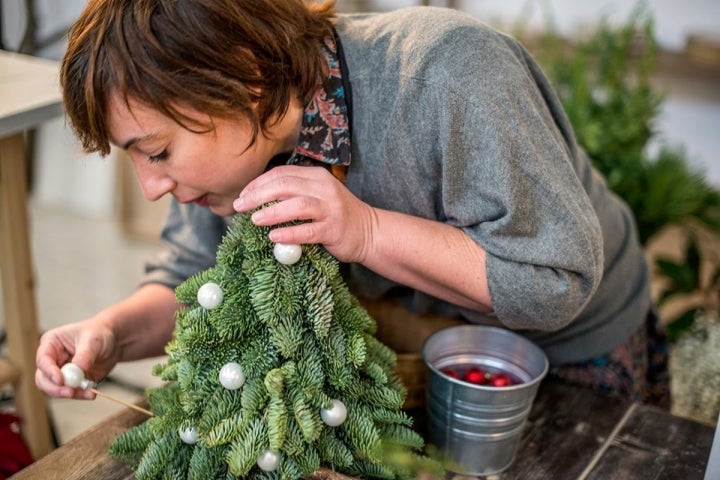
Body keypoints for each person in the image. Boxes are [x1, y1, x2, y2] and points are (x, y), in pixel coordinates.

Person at [36, 0, 659, 405]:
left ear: (243, 76)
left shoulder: (448, 72)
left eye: (157, 152)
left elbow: (554, 281)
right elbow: (193, 278)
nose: (152, 186)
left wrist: (363, 231)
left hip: (574, 356)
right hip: (411, 352)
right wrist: (112, 335)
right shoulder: (226, 157)